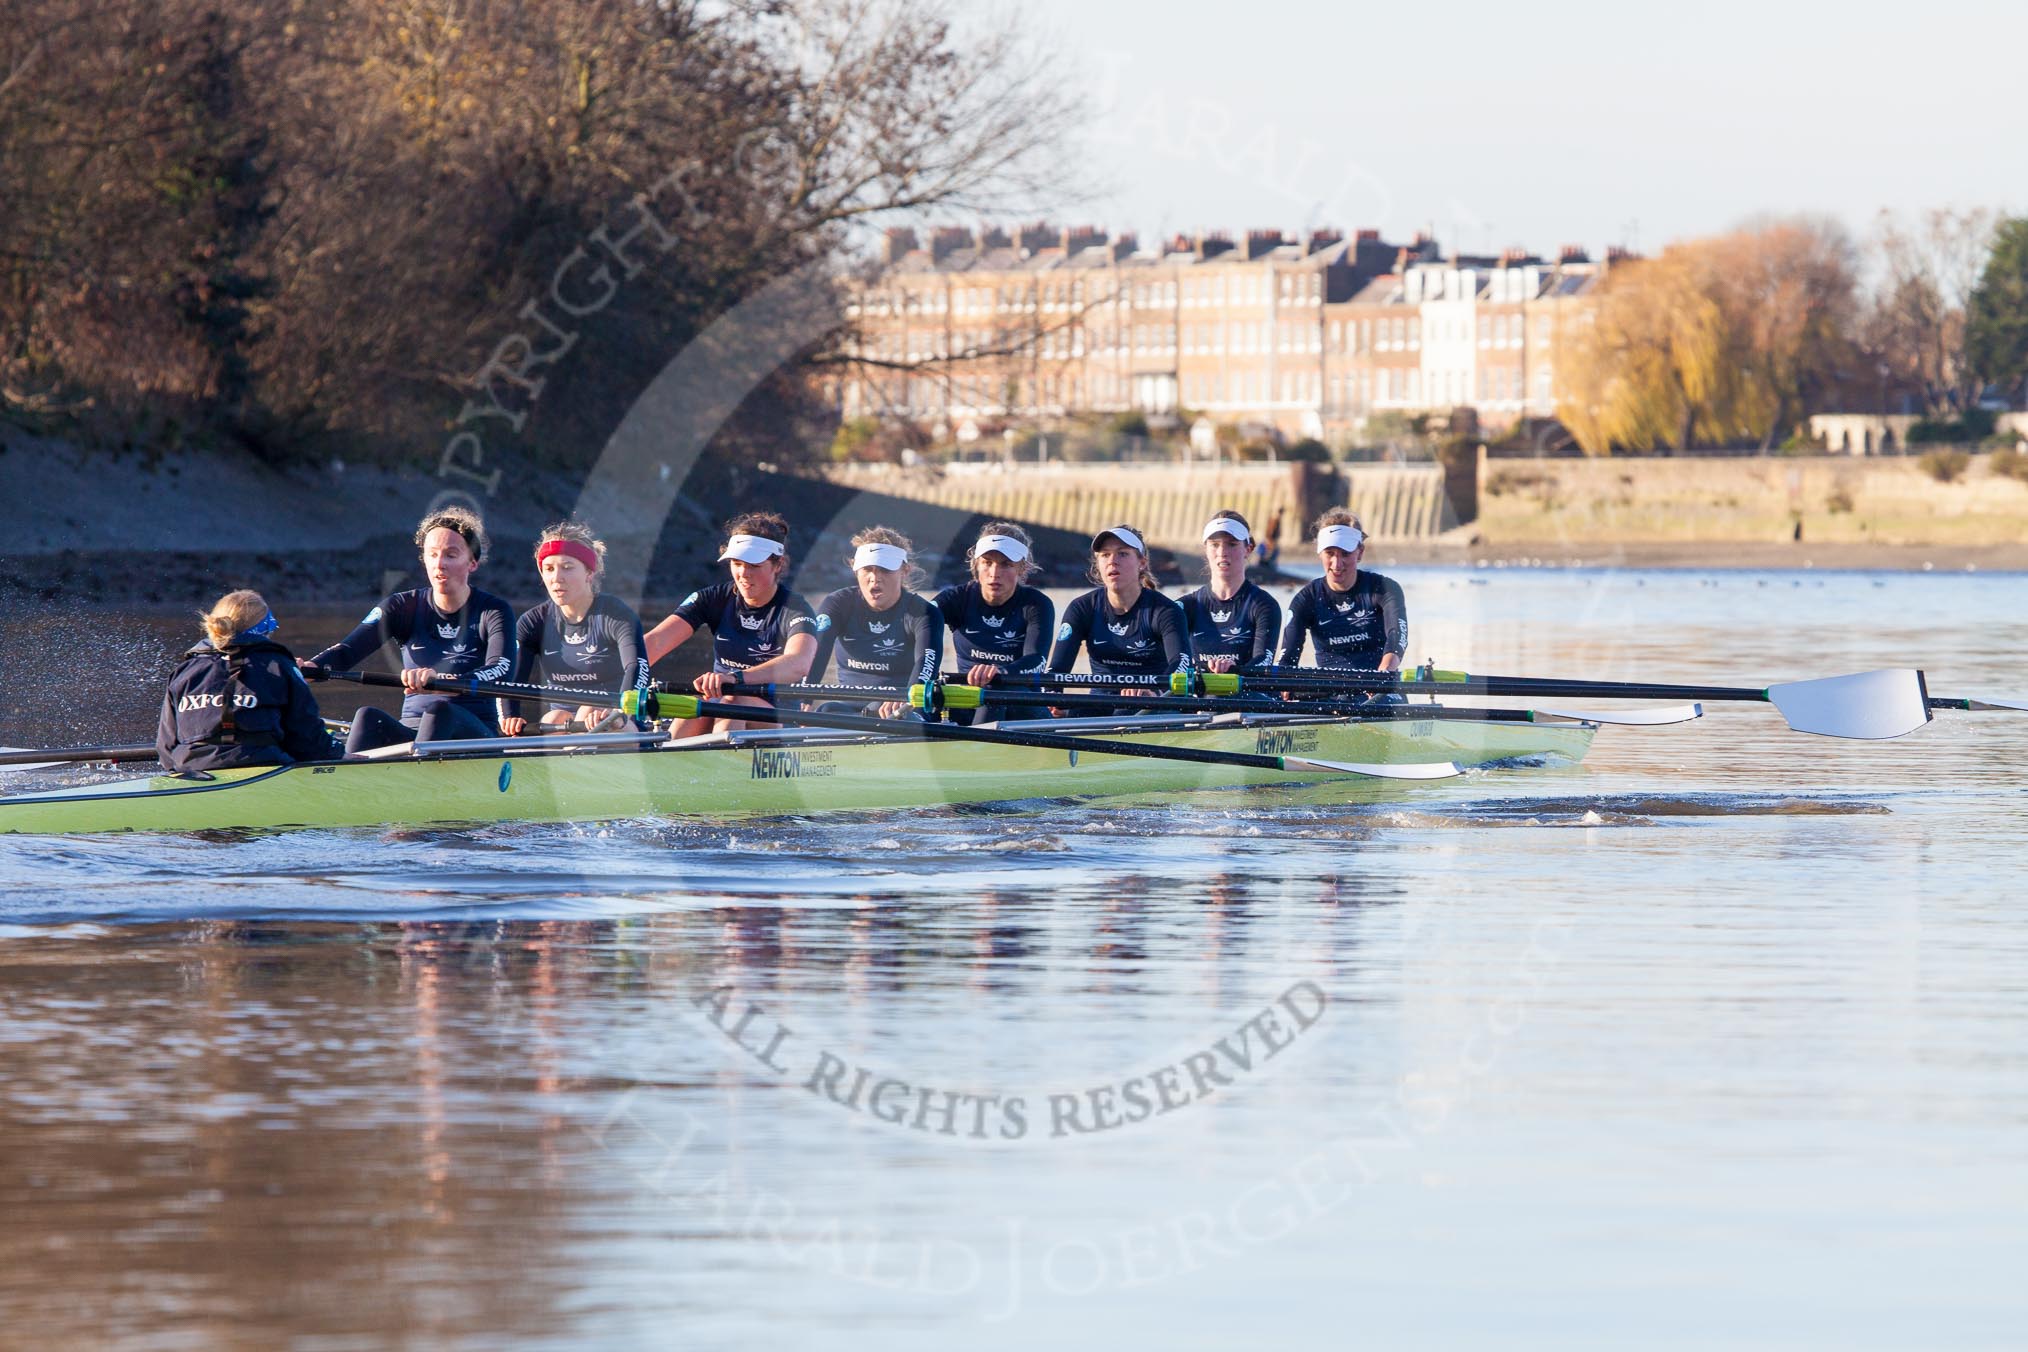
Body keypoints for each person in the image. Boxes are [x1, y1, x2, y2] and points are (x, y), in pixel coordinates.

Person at [303, 505, 517, 754]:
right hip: (414, 730)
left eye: (451, 555)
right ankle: (345, 785)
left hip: (474, 733)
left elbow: (502, 669)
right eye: (433, 554)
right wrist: (306, 670)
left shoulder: (493, 611)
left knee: (440, 711)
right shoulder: (401, 607)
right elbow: (347, 651)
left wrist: (453, 682)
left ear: (472, 562)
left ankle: (415, 779)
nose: (440, 564)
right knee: (367, 717)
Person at [644, 511, 818, 734]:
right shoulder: (712, 599)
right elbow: (654, 643)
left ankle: (718, 760)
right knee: (691, 711)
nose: (743, 573)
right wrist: (613, 682)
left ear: (778, 565)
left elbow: (799, 663)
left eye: (754, 566)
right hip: (722, 702)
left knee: (734, 701)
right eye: (736, 563)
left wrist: (734, 679)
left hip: (777, 718)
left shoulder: (795, 609)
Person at [158, 590, 343, 773]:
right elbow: (307, 740)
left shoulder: (184, 671)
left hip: (192, 769)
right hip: (263, 767)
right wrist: (340, 754)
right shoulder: (278, 665)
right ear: (264, 629)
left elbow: (166, 750)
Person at [499, 520, 651, 736]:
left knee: (588, 711)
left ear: (589, 573)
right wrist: (509, 717)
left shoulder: (616, 615)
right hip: (564, 724)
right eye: (549, 569)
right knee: (553, 718)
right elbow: (510, 679)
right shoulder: (533, 622)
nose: (556, 578)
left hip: (620, 722)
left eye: (567, 568)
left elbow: (638, 668)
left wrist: (621, 712)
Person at [1047, 524, 1193, 707]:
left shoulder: (1166, 611)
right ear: (1098, 563)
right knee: (1074, 712)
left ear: (1142, 563)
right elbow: (1057, 670)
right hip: (1099, 704)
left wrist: (1156, 692)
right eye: (1105, 555)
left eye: (1122, 554)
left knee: (1126, 711)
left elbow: (1183, 666)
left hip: (1152, 705)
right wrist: (1053, 700)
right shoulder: (1082, 608)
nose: (1112, 561)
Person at [807, 527, 944, 719]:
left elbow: (926, 663)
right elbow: (816, 651)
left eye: (885, 570)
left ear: (905, 571)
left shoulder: (924, 613)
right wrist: (804, 697)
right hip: (849, 710)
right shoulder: (837, 604)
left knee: (901, 716)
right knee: (827, 710)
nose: (875, 578)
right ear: (855, 569)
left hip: (902, 711)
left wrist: (906, 696)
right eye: (867, 569)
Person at [931, 522, 1055, 725]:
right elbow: (918, 624)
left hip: (1021, 706)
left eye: (1006, 564)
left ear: (1022, 568)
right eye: (987, 562)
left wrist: (1001, 672)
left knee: (994, 689)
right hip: (968, 700)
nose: (994, 572)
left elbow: (1037, 660)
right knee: (930, 699)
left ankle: (979, 750)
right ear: (976, 565)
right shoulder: (955, 599)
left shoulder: (1037, 604)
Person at [1277, 508, 1408, 677]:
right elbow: (1287, 660)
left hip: (1377, 685)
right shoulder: (1306, 599)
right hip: (1327, 691)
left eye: (1345, 554)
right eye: (1330, 553)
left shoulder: (1384, 589)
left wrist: (1382, 675)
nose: (1337, 564)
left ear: (1360, 552)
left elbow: (1397, 638)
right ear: (1319, 552)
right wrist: (1284, 682)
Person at [1177, 508, 1282, 673]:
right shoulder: (1184, 607)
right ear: (1205, 549)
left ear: (1248, 549)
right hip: (1200, 693)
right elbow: (1171, 663)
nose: (1222, 552)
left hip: (1247, 693)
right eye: (1215, 545)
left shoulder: (1264, 606)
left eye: (1232, 544)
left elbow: (1263, 662)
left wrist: (1232, 670)